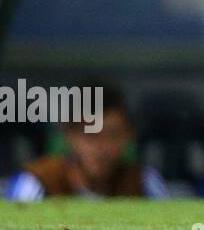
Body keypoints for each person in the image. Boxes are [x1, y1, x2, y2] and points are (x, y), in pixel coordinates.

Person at [4, 84, 169, 200]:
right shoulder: (38, 181)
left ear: (128, 135)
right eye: (90, 136)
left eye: (112, 135)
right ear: (69, 135)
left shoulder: (144, 182)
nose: (101, 147)